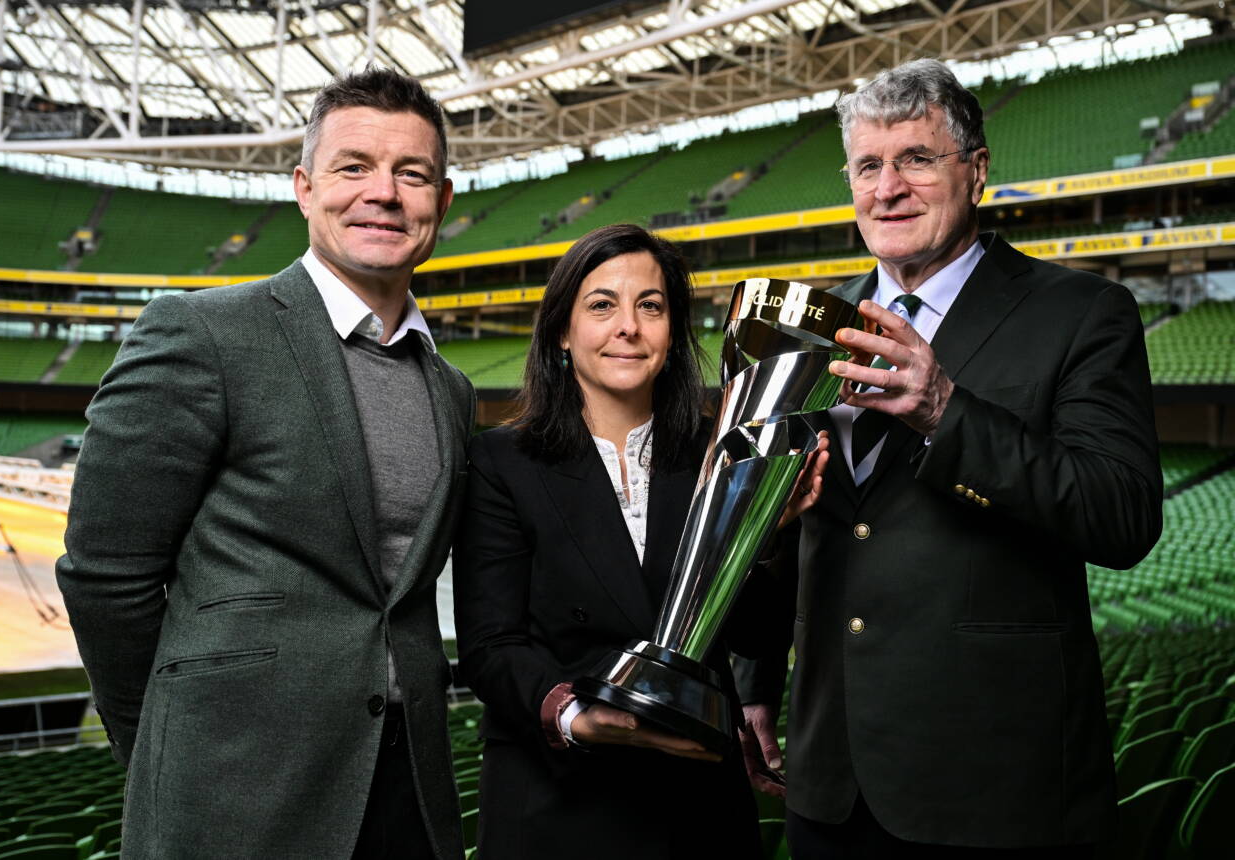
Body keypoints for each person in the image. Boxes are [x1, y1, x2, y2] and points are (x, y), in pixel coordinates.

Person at [735, 58, 1163, 858]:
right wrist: (756, 681)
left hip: (995, 786)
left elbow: (1122, 515)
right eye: (869, 165)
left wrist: (945, 412)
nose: (887, 188)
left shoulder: (1082, 313)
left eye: (917, 159)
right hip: (830, 778)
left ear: (977, 169)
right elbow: (787, 523)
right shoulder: (810, 325)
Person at [56, 68, 473, 859]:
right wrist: (168, 746)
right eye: (353, 167)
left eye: (410, 174)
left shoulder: (449, 389)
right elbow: (106, 572)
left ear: (441, 203)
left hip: (405, 790)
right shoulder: (201, 332)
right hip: (232, 789)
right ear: (304, 187)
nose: (382, 193)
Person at [452, 223, 828, 860]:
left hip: (696, 807)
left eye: (650, 306)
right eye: (602, 305)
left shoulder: (727, 450)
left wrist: (765, 536)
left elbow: (754, 638)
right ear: (563, 333)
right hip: (555, 802)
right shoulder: (500, 461)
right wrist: (576, 715)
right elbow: (492, 646)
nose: (628, 326)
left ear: (674, 335)